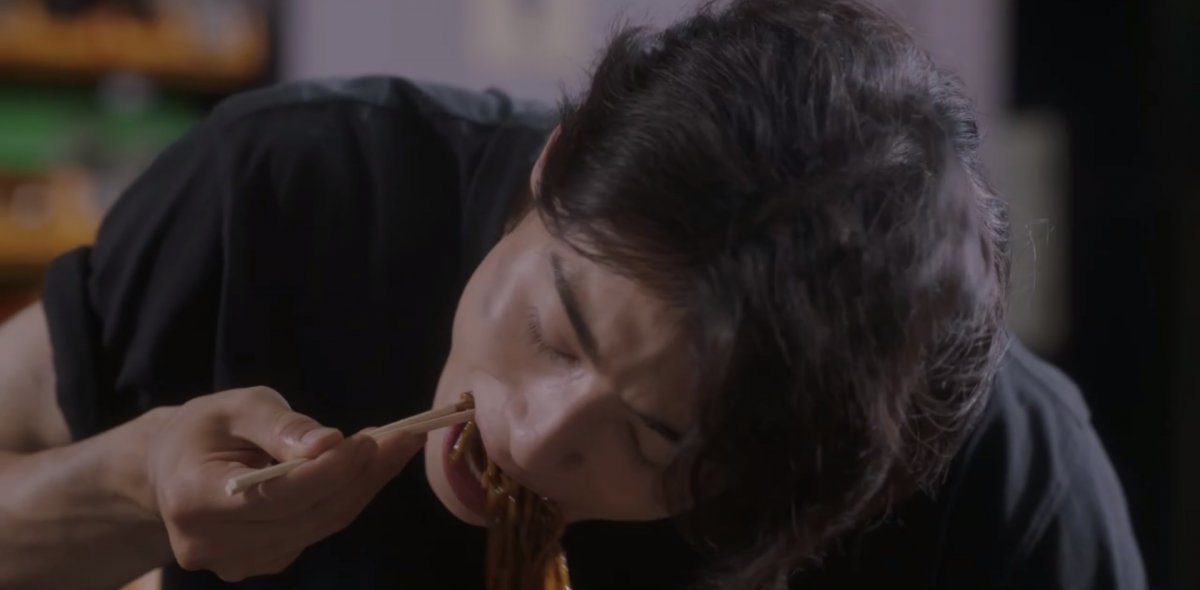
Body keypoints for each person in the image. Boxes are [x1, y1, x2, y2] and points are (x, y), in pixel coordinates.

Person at [0, 1, 1146, 589]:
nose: (536, 434)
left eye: (655, 437)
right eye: (555, 328)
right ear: (554, 167)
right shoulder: (295, 195)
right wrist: (132, 483)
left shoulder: (1004, 493)